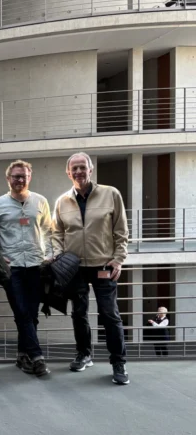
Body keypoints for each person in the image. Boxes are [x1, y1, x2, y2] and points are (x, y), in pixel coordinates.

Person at [52, 152, 130, 385]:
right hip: (75, 267)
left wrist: (118, 259)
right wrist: (58, 255)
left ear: (91, 169)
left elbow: (121, 230)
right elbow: (57, 233)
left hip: (103, 265)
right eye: (74, 168)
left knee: (109, 314)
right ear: (68, 173)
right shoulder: (62, 201)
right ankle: (84, 354)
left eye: (82, 167)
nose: (78, 172)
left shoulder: (110, 194)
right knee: (79, 313)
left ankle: (118, 362)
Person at [0, 160, 53, 377]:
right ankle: (37, 357)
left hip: (36, 264)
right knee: (21, 312)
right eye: (16, 176)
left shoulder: (40, 201)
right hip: (11, 268)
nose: (20, 180)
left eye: (23, 176)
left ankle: (21, 355)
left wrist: (50, 255)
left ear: (29, 177)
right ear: (8, 178)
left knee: (31, 314)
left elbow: (48, 231)